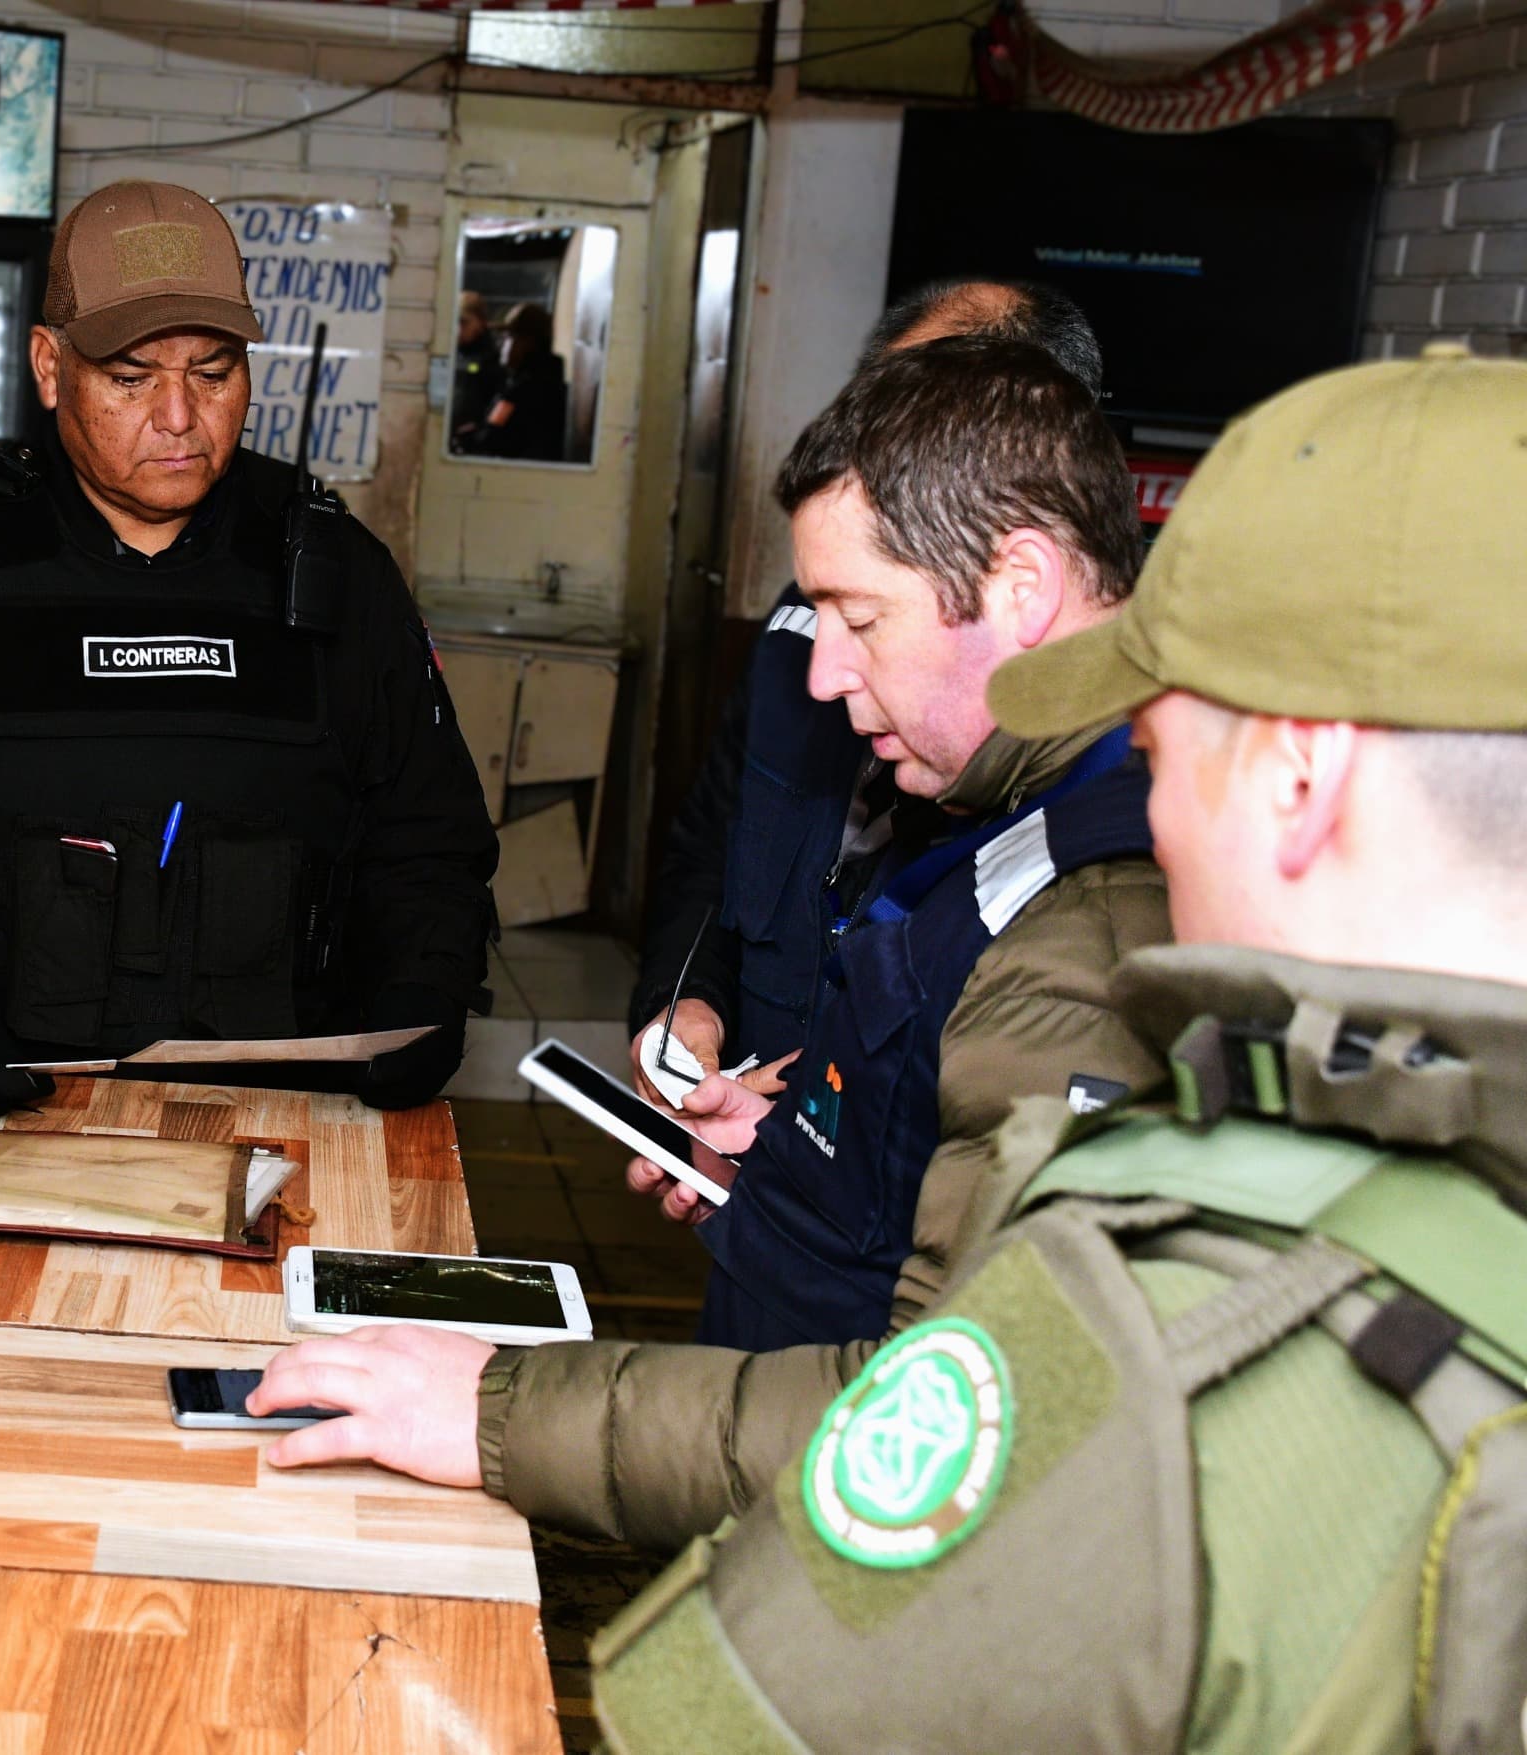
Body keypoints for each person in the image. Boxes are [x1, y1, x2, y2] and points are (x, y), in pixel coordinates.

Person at [567, 344, 1527, 1753]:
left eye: (1170, 739)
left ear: (1302, 775)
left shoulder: (1190, 1297)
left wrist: (498, 1412)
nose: (1152, 799)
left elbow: (732, 1712)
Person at [250, 335, 1169, 1546]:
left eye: (858, 617)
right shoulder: (1004, 818)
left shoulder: (1102, 911)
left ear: (1022, 584)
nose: (824, 675)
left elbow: (955, 1434)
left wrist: (500, 1412)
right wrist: (799, 1156)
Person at [0, 181, 497, 1121]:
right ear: (50, 367)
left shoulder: (337, 567)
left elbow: (431, 837)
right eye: (132, 378)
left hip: (286, 1118)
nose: (179, 415)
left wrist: (422, 993)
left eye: (213, 372)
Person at [628, 278, 1107, 1151]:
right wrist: (686, 1002)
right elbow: (713, 848)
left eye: (923, 423)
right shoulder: (804, 632)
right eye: (874, 413)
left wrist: (809, 1132)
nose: (830, 672)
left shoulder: (1104, 789)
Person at [455, 302, 568, 461]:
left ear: (528, 342)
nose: (503, 343)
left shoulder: (526, 390)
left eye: (509, 336)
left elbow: (495, 438)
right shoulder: (532, 380)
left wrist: (472, 438)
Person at [447, 289, 503, 441]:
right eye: (453, 322)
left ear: (481, 322)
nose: (457, 330)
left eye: (463, 322)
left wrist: (481, 428)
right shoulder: (449, 351)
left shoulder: (495, 356)